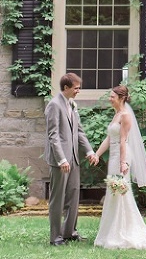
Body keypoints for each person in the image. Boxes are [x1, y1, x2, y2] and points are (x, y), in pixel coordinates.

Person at [93, 85, 146, 249]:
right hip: (114, 156)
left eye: (112, 97)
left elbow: (123, 141)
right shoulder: (116, 115)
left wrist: (123, 162)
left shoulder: (125, 116)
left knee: (121, 192)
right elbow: (109, 139)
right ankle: (111, 232)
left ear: (121, 98)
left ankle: (122, 232)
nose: (110, 99)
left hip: (121, 156)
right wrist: (97, 154)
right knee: (114, 192)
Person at [44, 72, 99, 246]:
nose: (78, 91)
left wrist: (89, 151)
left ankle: (69, 232)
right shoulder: (54, 105)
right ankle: (55, 237)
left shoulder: (72, 104)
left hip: (74, 158)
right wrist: (61, 160)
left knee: (74, 196)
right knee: (57, 199)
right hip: (60, 161)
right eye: (76, 88)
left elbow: (79, 132)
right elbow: (53, 135)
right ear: (66, 88)